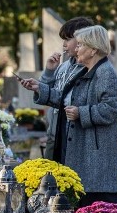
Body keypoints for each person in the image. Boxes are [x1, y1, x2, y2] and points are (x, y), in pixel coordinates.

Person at [19, 25, 117, 207]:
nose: (76, 48)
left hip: (98, 157)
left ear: (93, 49)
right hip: (85, 152)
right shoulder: (85, 70)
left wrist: (80, 113)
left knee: (98, 211)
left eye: (81, 44)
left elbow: (111, 109)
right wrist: (40, 88)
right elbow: (67, 99)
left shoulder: (106, 73)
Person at [33, 16, 94, 160]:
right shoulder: (63, 66)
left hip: (71, 136)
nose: (64, 44)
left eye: (68, 39)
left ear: (81, 40)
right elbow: (48, 96)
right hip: (53, 133)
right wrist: (49, 71)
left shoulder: (88, 69)